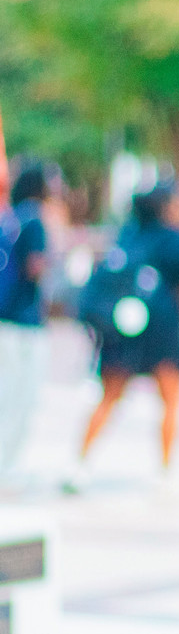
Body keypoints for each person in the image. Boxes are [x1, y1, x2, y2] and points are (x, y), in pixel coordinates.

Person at [68, 181, 179, 488]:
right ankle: (167, 471)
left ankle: (80, 464)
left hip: (123, 331)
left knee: (109, 397)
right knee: (170, 399)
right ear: (167, 206)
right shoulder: (177, 242)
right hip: (163, 331)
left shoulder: (127, 237)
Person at [0, 160, 56, 484]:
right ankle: (8, 466)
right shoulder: (36, 221)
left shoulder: (11, 218)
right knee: (22, 397)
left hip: (5, 317)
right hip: (24, 322)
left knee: (6, 393)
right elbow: (36, 267)